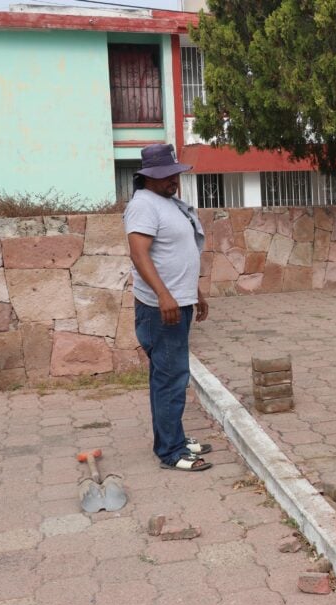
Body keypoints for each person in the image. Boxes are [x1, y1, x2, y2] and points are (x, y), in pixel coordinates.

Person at [124, 143, 213, 472]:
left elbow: (179, 254)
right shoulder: (144, 206)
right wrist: (164, 295)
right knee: (171, 378)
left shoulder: (167, 203)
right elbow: (139, 254)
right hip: (161, 310)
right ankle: (171, 452)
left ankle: (172, 437)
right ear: (148, 177)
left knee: (170, 375)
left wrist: (196, 293)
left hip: (178, 302)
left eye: (174, 174)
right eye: (165, 176)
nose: (172, 180)